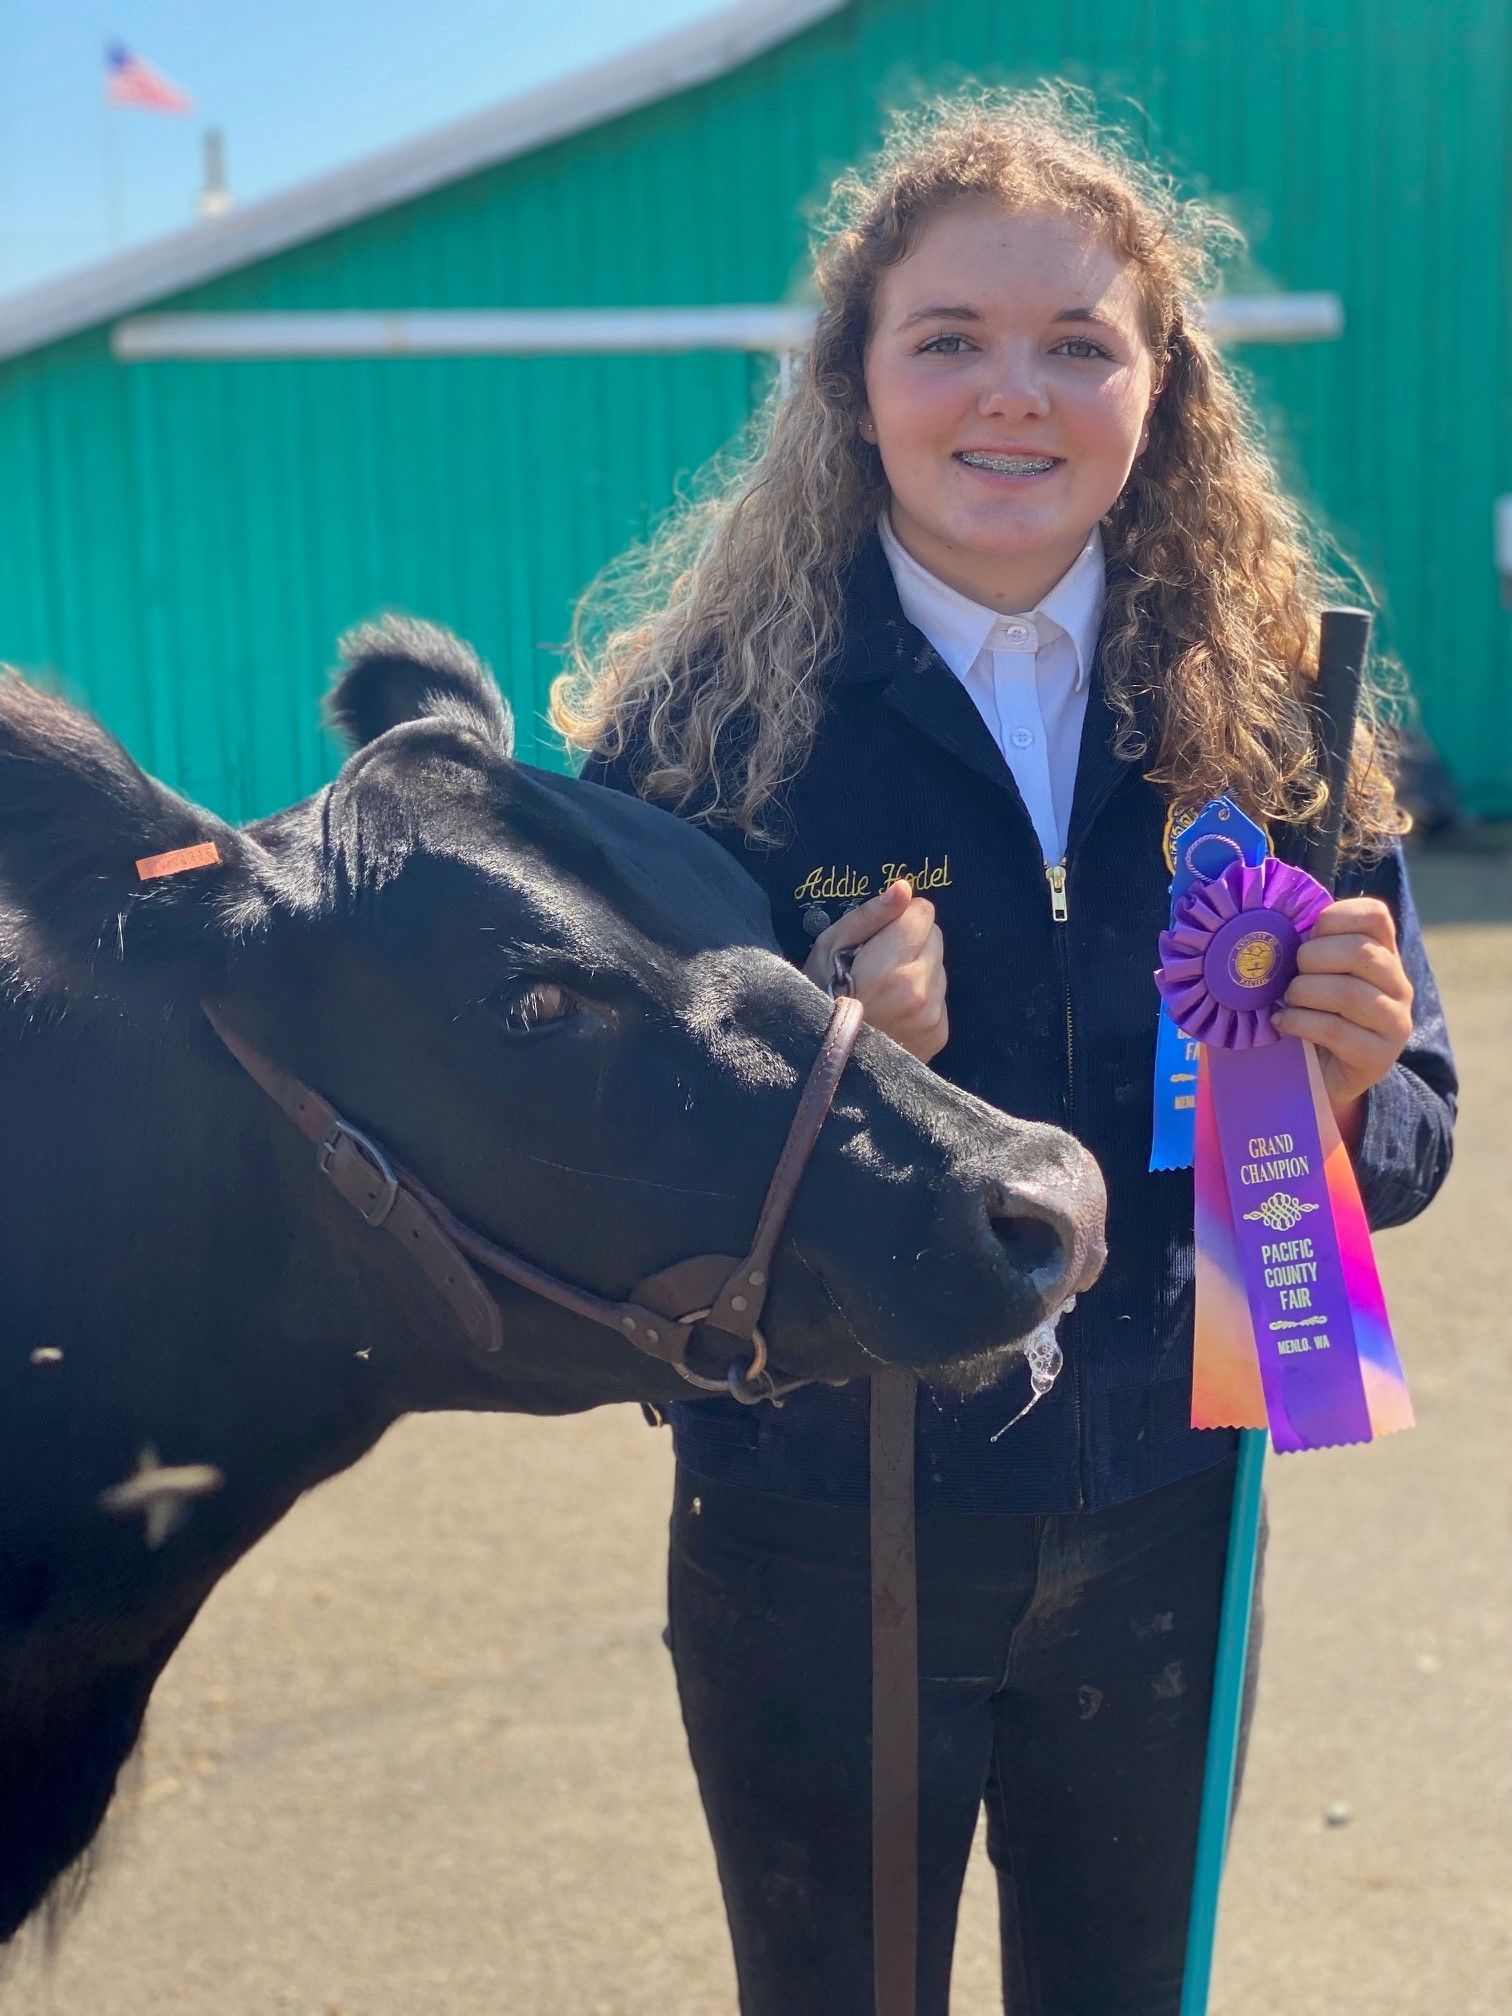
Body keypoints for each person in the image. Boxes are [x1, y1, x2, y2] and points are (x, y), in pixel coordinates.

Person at [553, 87, 1457, 2016]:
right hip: (821, 1535)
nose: (1012, 396)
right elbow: (593, 1162)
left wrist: (1361, 1081)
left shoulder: (1284, 715)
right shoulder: (694, 734)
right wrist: (816, 1070)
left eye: (1079, 344)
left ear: (1161, 392)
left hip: (1170, 1523)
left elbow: (1411, 1145)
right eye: (948, 338)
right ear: (855, 382)